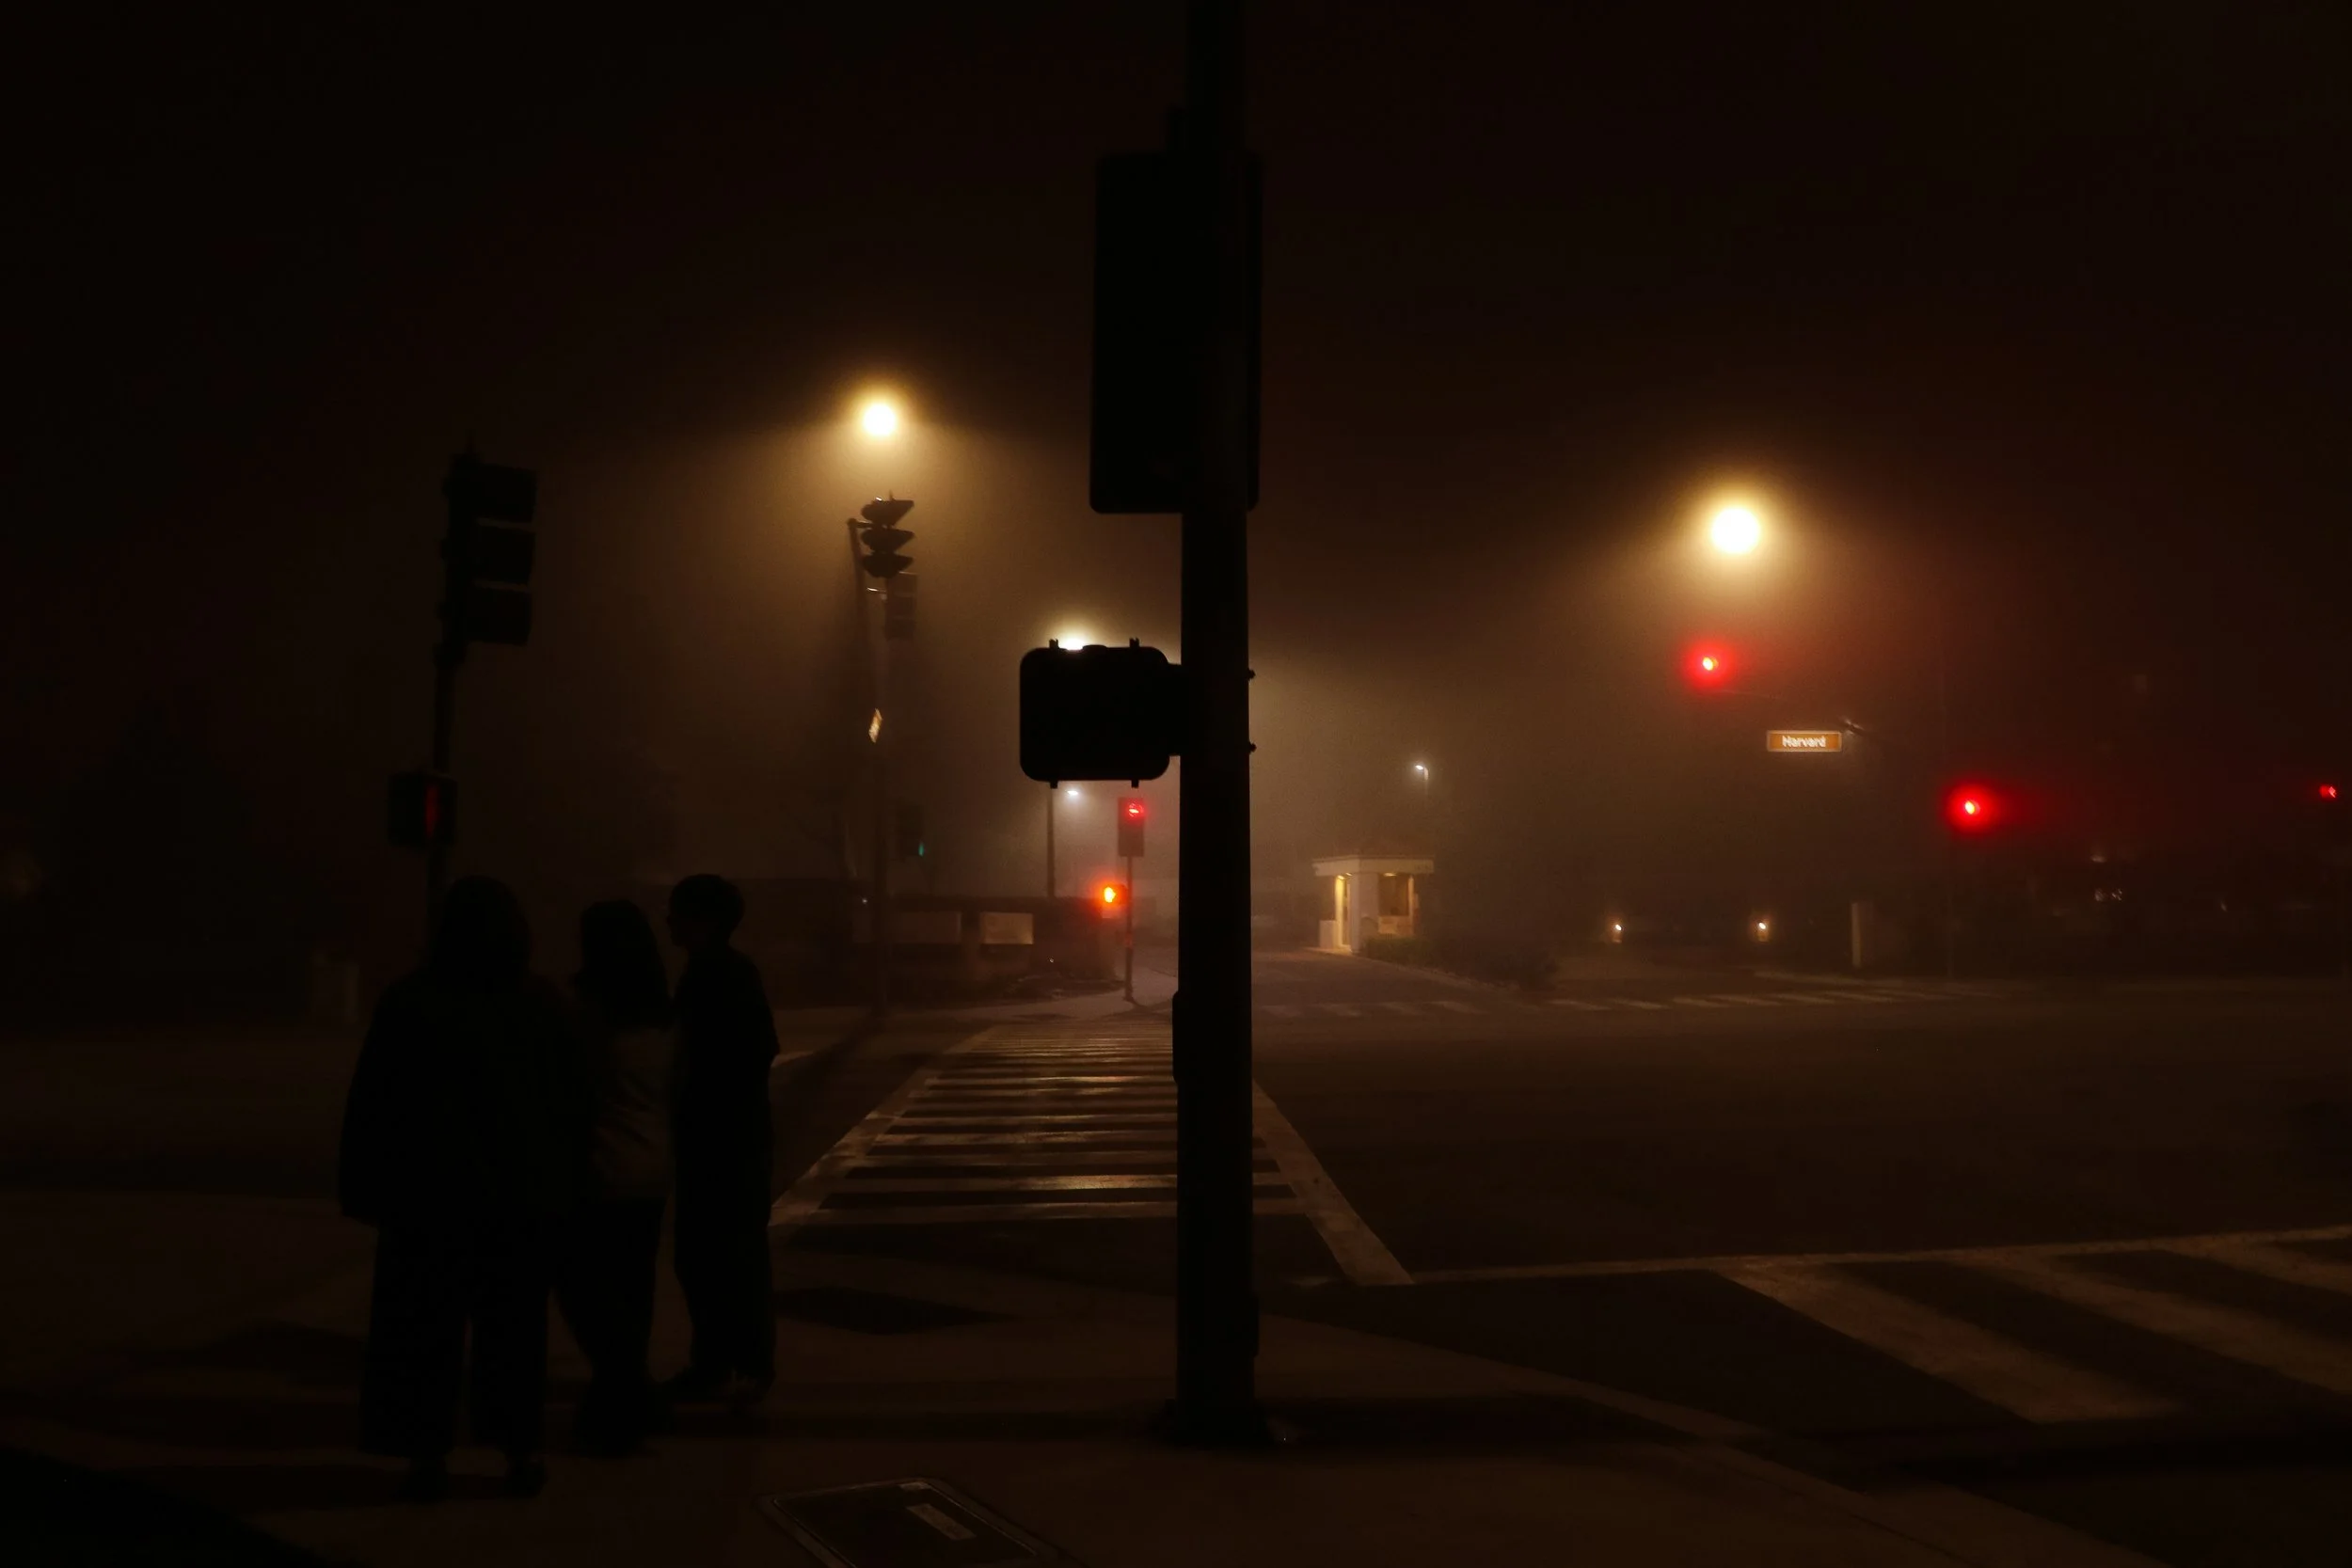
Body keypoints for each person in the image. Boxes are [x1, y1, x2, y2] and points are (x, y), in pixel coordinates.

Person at [338, 877, 579, 1502]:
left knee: (422, 1331)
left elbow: (374, 1104)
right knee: (515, 1333)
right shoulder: (539, 1002)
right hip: (517, 1196)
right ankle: (519, 1450)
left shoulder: (411, 1002)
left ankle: (426, 1453)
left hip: (429, 1195)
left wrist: (367, 1185)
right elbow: (569, 1102)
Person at [554, 899, 676, 1454]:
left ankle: (621, 1395)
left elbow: (569, 1096)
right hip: (651, 1169)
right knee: (631, 1288)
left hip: (599, 1169)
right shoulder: (663, 1014)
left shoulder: (587, 1015)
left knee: (584, 1288)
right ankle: (631, 1394)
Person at [662, 873, 779, 1409]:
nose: (669, 922)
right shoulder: (721, 972)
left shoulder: (719, 975)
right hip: (730, 1135)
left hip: (722, 1138)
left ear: (704, 920)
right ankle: (726, 1360)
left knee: (718, 1255)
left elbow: (748, 1051)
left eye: (678, 912)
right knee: (718, 1255)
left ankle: (734, 1363)